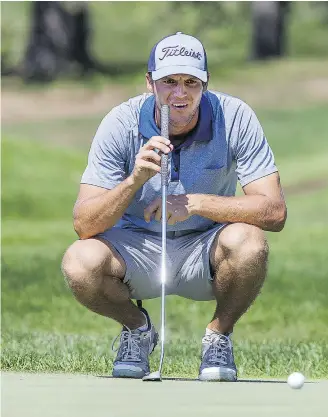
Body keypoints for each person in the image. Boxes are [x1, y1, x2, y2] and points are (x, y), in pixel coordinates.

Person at [61, 32, 287, 381]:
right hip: (139, 248)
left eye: (190, 82)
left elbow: (274, 212)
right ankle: (137, 329)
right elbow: (84, 223)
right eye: (169, 81)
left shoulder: (235, 117)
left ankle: (218, 335)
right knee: (79, 261)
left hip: (206, 248)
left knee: (250, 242)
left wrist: (195, 203)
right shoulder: (120, 122)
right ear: (149, 82)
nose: (180, 94)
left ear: (205, 84)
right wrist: (134, 180)